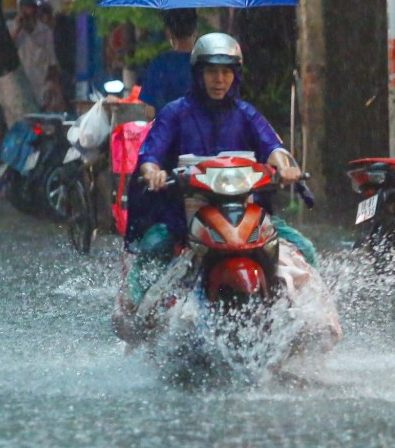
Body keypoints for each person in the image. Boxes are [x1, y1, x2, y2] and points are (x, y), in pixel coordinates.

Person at [117, 32, 309, 323]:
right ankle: (139, 321)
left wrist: (285, 166)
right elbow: (150, 155)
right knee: (152, 249)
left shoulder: (247, 114)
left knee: (304, 248)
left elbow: (274, 147)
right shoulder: (175, 113)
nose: (219, 80)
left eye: (226, 72)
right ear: (198, 74)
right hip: (183, 218)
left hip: (243, 215)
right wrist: (153, 172)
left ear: (236, 75)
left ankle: (309, 318)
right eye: (211, 71)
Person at [139, 8, 199, 118]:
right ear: (195, 31)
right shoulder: (204, 64)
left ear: (169, 33)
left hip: (167, 132)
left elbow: (149, 111)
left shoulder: (159, 64)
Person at [7, 0, 59, 109]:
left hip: (40, 88)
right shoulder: (10, 28)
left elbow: (52, 62)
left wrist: (52, 85)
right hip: (18, 89)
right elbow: (4, 50)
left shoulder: (45, 32)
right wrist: (18, 28)